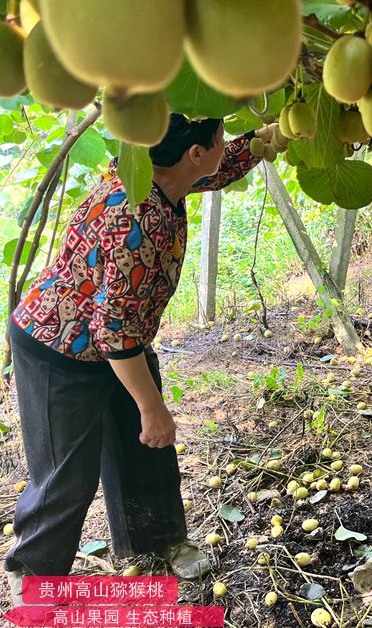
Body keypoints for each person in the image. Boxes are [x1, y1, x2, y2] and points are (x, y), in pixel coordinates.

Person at [4, 114, 274, 606]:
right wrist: (153, 407)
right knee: (68, 471)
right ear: (194, 152)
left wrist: (266, 138)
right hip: (58, 344)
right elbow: (113, 332)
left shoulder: (149, 170)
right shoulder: (138, 221)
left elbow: (220, 165)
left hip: (118, 338)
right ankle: (32, 576)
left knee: (147, 450)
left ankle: (156, 539)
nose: (222, 144)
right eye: (218, 138)